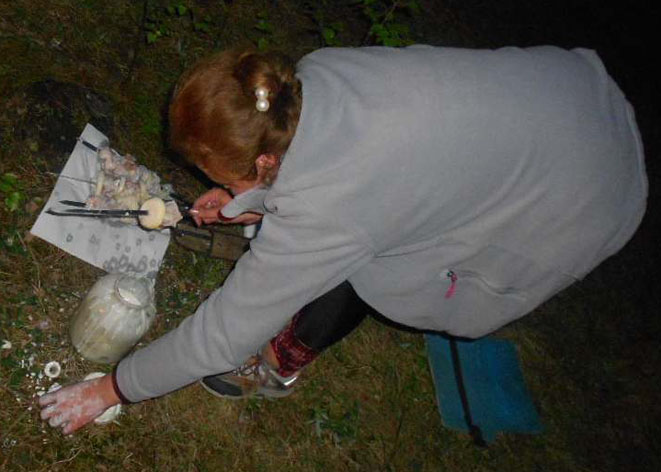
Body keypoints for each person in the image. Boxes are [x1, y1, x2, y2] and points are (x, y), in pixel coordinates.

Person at [39, 45, 647, 435]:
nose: (212, 184)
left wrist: (111, 387)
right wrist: (243, 197)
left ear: (265, 162)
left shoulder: (333, 207)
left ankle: (281, 363)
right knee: (376, 228)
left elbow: (221, 334)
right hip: (559, 94)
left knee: (386, 269)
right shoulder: (309, 80)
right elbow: (316, 165)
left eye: (220, 175)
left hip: (584, 190)